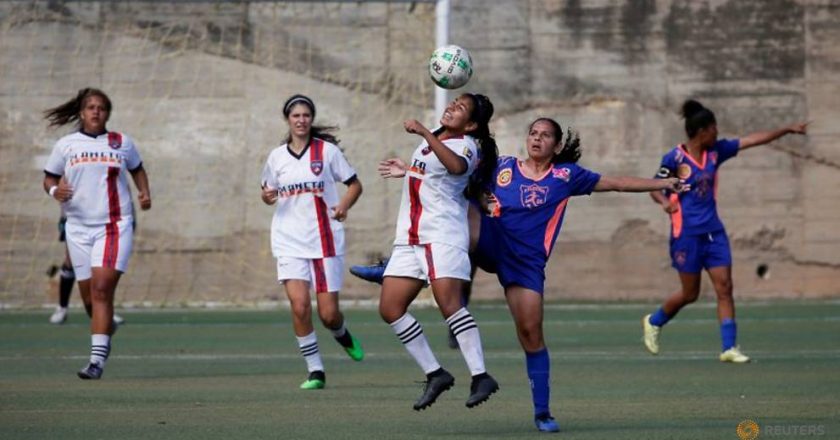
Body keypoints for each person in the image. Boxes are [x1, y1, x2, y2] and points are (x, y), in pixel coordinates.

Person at [354, 117, 688, 431]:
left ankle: (543, 412)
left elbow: (615, 183)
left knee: (531, 334)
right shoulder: (503, 167)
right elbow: (454, 180)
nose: (537, 138)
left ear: (556, 146)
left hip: (525, 262)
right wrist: (411, 172)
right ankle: (397, 265)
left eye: (545, 135)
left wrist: (664, 182)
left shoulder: (566, 176)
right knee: (463, 209)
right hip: (489, 239)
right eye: (533, 133)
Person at [642, 100, 808, 363]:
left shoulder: (717, 152)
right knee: (690, 294)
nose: (717, 133)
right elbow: (653, 186)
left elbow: (752, 140)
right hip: (686, 234)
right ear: (701, 131)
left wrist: (786, 129)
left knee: (725, 287)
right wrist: (664, 203)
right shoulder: (674, 158)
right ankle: (654, 321)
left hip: (714, 233)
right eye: (713, 128)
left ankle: (729, 348)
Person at [377, 93, 500, 411]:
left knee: (449, 305)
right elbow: (436, 178)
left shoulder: (466, 145)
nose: (452, 107)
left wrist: (424, 131)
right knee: (390, 308)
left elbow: (457, 169)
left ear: (471, 124)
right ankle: (436, 373)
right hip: (410, 236)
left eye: (460, 109)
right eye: (453, 103)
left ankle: (481, 375)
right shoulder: (433, 141)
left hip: (441, 236)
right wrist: (408, 171)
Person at [43, 88, 152, 379]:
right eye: (90, 107)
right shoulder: (67, 145)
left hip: (114, 226)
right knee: (91, 299)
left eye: (101, 107)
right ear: (81, 112)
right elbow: (49, 177)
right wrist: (56, 190)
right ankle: (106, 328)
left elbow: (137, 169)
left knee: (103, 290)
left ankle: (96, 362)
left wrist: (144, 192)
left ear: (107, 113)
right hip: (77, 228)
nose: (95, 112)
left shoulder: (121, 142)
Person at [260, 94, 365, 390]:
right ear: (288, 120)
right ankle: (315, 370)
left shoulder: (327, 152)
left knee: (328, 313)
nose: (301, 120)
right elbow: (267, 192)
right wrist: (267, 196)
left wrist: (343, 206)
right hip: (288, 240)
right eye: (296, 116)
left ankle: (342, 334)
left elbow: (355, 185)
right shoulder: (276, 157)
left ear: (311, 119)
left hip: (325, 240)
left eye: (306, 115)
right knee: (300, 306)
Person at [49, 211, 125, 326]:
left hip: (103, 218)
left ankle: (106, 310)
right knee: (70, 260)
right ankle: (62, 308)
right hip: (76, 218)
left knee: (103, 265)